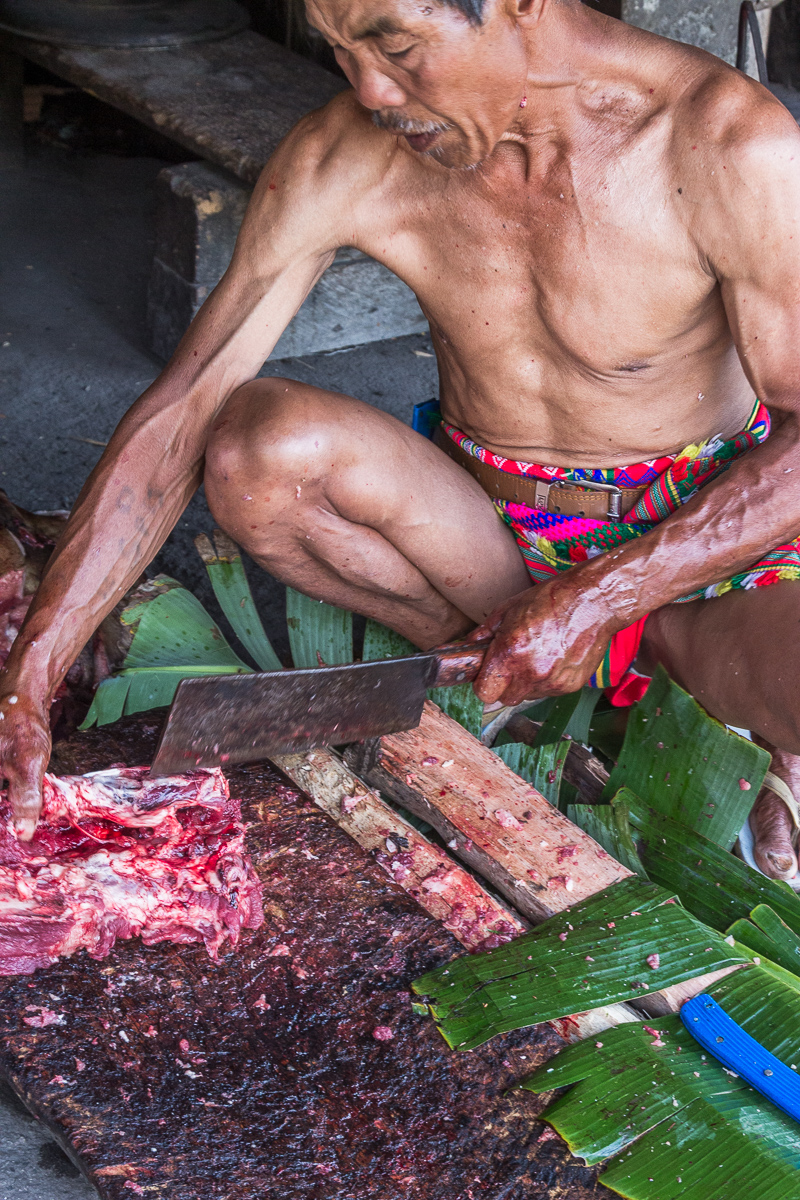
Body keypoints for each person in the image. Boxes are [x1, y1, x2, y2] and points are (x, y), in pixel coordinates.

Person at [2, 0, 800, 880]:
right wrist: (34, 667)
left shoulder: (727, 145)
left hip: (701, 546)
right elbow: (184, 409)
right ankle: (527, 685)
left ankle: (667, 694)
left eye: (395, 43)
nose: (372, 90)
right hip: (488, 537)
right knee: (257, 451)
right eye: (341, 50)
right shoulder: (348, 148)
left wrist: (602, 599)